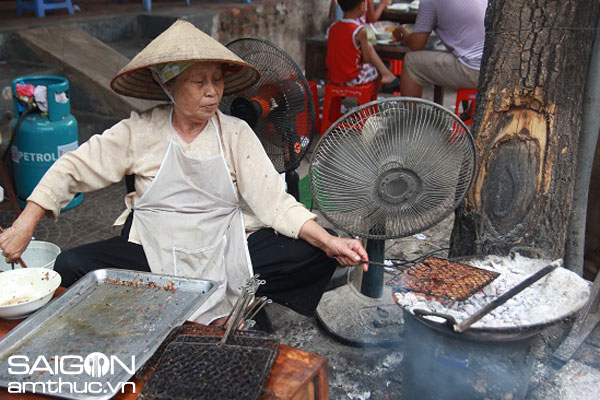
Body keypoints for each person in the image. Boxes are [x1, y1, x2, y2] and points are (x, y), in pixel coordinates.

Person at [0, 20, 369, 325]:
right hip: (154, 248)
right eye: (198, 81)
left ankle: (232, 308)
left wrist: (330, 242)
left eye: (218, 81)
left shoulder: (235, 132)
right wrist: (24, 225)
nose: (212, 92)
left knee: (315, 250)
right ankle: (149, 311)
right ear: (169, 84)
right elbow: (72, 168)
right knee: (70, 265)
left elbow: (274, 202)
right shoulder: (138, 131)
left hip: (224, 244)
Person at [393, 0, 487, 97]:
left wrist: (402, 33)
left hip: (475, 70)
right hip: (492, 66)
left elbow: (416, 44)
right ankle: (468, 112)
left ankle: (410, 112)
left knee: (411, 62)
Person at [326, 0, 400, 91]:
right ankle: (371, 99)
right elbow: (366, 58)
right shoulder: (360, 31)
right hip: (351, 79)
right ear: (361, 6)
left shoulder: (333, 27)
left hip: (334, 76)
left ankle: (386, 75)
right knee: (376, 69)